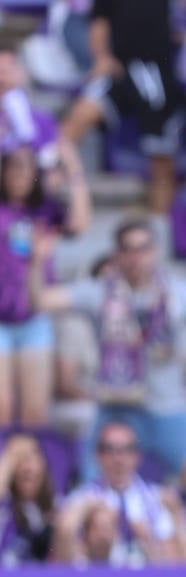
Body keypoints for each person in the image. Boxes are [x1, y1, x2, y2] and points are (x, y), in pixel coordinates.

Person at [29, 217, 186, 482]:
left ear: (154, 252)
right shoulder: (100, 293)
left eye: (143, 248)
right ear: (117, 255)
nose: (136, 257)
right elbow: (39, 300)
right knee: (90, 484)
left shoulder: (177, 291)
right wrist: (36, 262)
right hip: (116, 409)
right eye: (128, 250)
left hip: (167, 409)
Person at [60, 0, 186, 212]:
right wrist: (101, 58)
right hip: (117, 69)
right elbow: (99, 25)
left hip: (157, 75)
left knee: (162, 157)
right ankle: (47, 187)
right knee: (76, 120)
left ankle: (159, 221)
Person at [0, 142, 89, 427]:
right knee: (2, 409)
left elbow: (78, 222)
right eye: (13, 166)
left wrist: (73, 172)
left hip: (34, 318)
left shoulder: (43, 209)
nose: (20, 173)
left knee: (36, 413)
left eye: (27, 167)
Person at [59, 420, 186, 565]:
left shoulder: (159, 499)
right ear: (98, 455)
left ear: (137, 456)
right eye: (109, 450)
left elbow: (176, 564)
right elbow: (64, 561)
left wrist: (148, 542)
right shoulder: (80, 500)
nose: (118, 459)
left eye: (126, 450)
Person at [0, 434, 56, 565]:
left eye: (34, 458)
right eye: (21, 459)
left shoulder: (56, 506)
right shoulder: (5, 507)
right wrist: (10, 456)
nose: (28, 468)